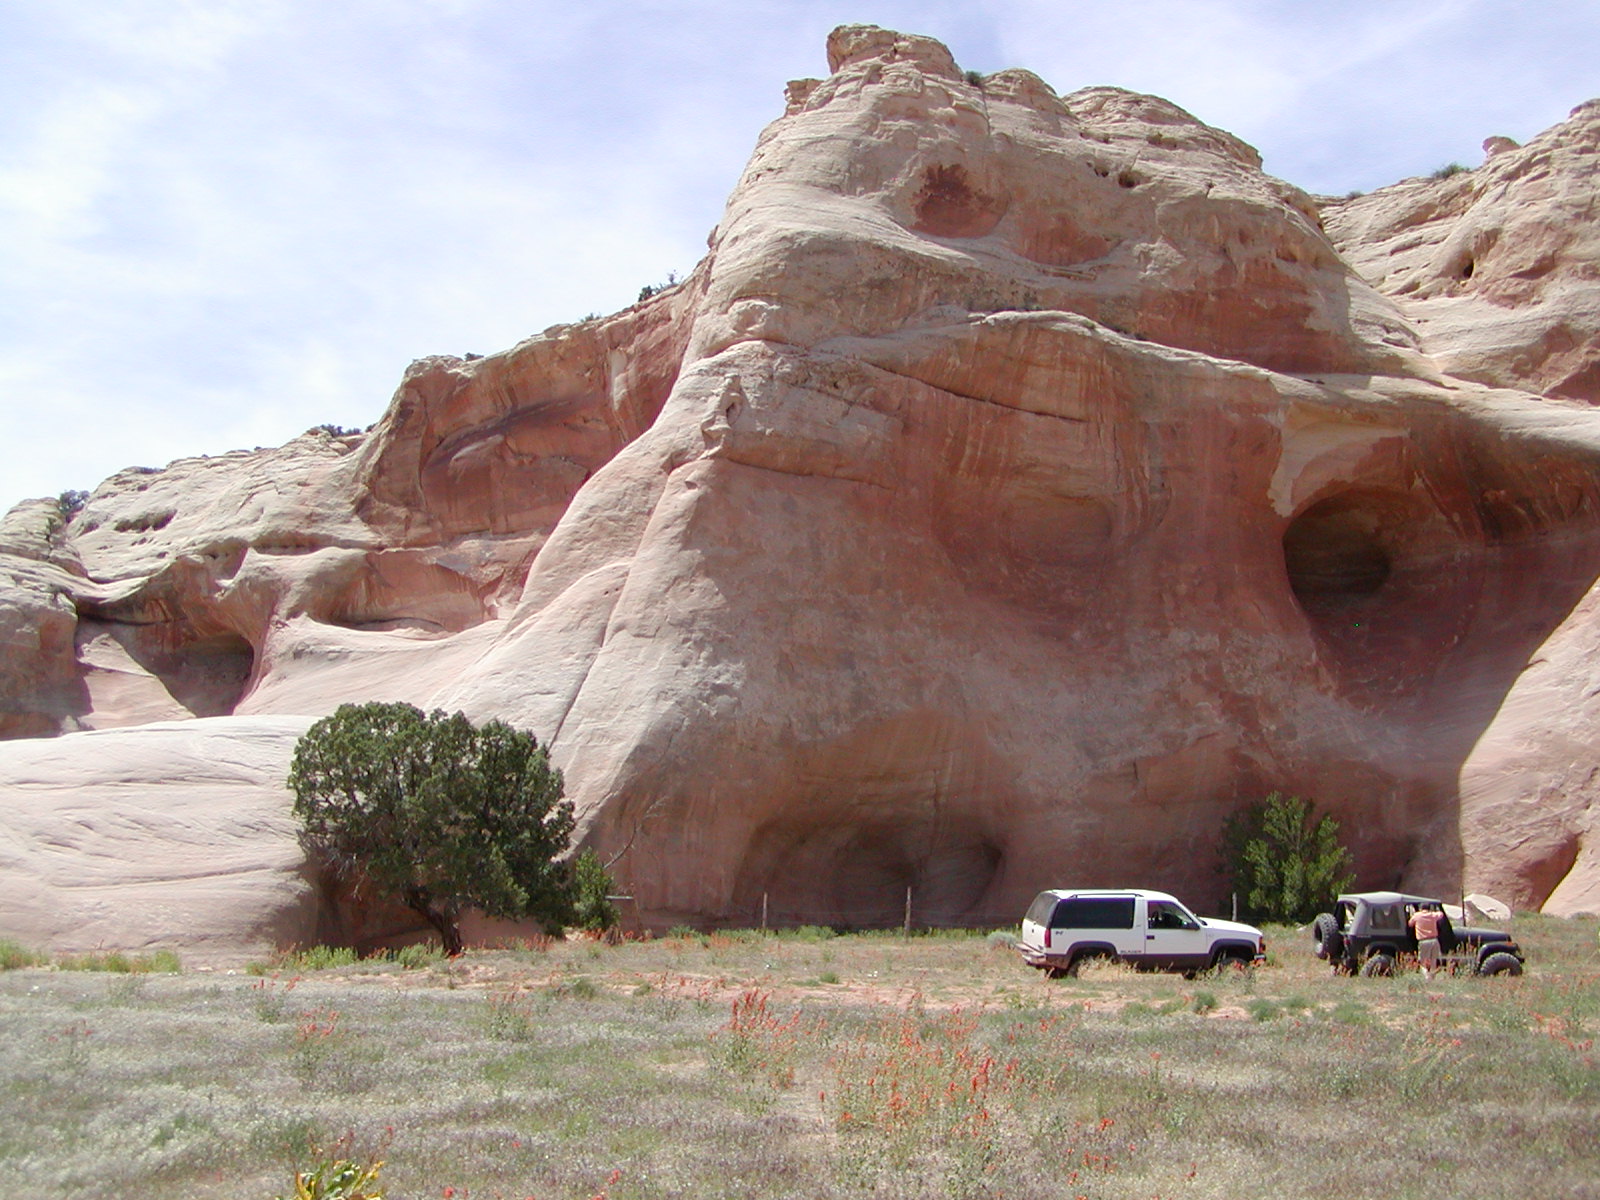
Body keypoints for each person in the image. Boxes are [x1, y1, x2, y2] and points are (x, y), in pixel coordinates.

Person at [1409, 903, 1444, 979]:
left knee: (1423, 962)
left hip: (1423, 941)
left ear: (1420, 908)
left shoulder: (1417, 916)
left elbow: (1410, 924)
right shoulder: (1432, 915)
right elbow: (1441, 914)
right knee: (1433, 961)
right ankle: (1432, 978)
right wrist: (1434, 912)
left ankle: (1427, 977)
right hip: (1434, 940)